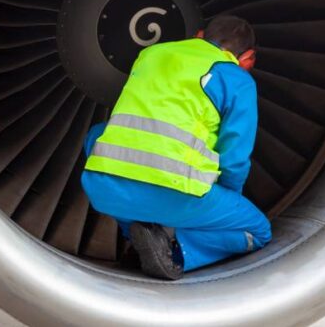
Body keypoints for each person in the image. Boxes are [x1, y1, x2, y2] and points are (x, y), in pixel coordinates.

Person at [81, 15, 271, 280]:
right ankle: (173, 251)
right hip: (175, 194)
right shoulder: (237, 80)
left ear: (199, 35)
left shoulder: (150, 53)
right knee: (259, 231)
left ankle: (141, 234)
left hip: (103, 190)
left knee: (97, 134)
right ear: (248, 59)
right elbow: (235, 158)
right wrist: (226, 199)